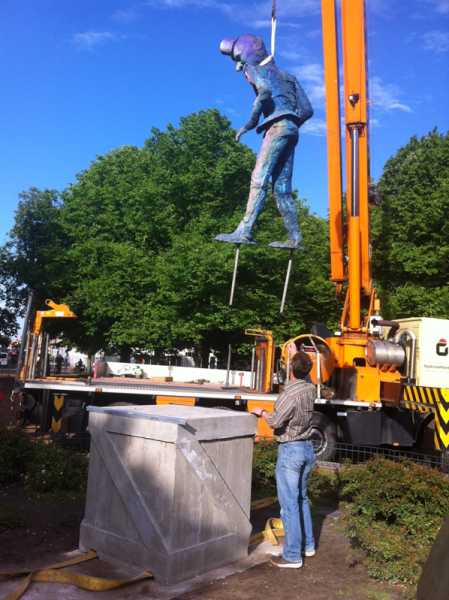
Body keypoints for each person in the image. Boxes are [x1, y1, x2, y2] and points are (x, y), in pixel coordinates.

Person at [216, 34, 313, 248]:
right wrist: (291, 123)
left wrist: (250, 124)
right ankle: (295, 237)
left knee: (259, 179)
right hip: (291, 129)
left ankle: (245, 230)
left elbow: (265, 91)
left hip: (277, 128)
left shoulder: (253, 70)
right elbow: (307, 110)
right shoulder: (289, 76)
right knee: (281, 188)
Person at [252, 350, 317, 568]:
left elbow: (275, 422)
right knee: (302, 499)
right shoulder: (310, 388)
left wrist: (262, 412)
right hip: (308, 449)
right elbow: (303, 374)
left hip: (291, 451)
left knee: (289, 505)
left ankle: (292, 556)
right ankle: (308, 546)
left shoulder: (289, 395)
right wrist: (294, 356)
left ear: (290, 369)